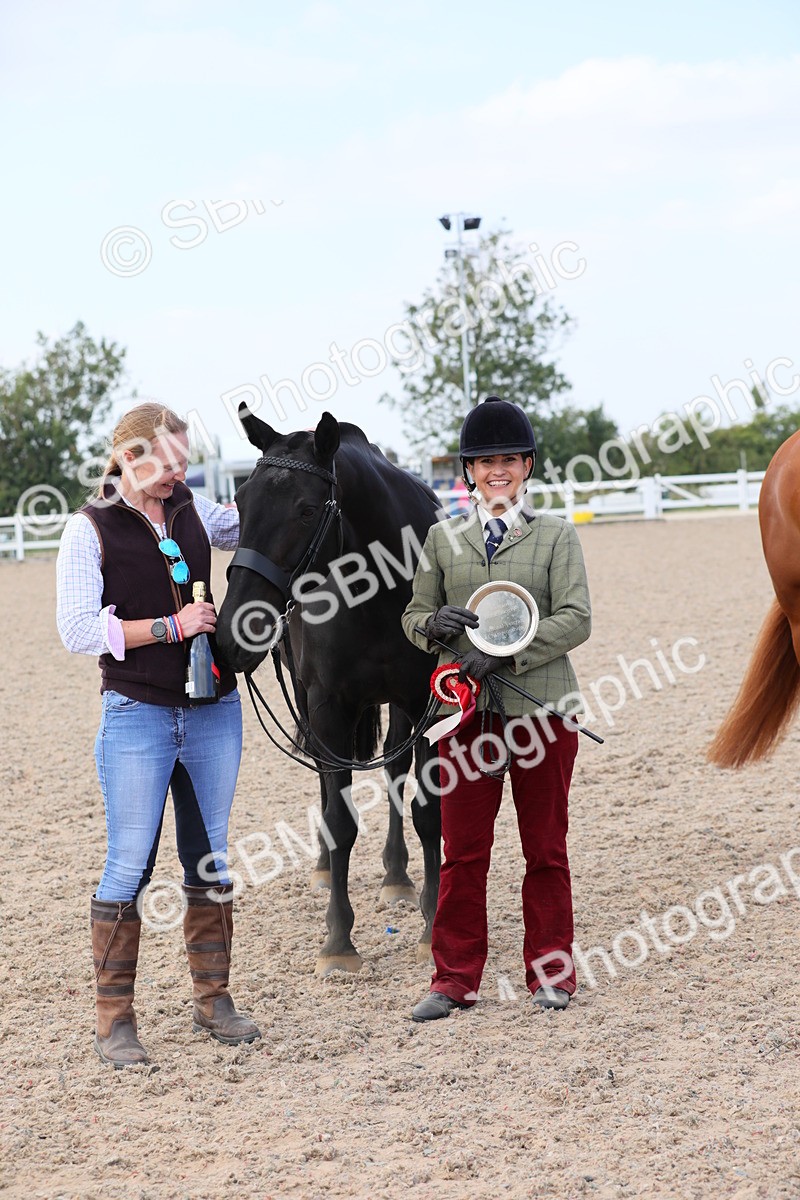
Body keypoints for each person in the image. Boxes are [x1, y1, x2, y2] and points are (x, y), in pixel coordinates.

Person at [56, 402, 260, 1067]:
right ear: (131, 455)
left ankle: (214, 999)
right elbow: (80, 630)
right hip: (137, 713)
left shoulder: (196, 510)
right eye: (168, 464)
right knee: (129, 864)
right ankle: (114, 1020)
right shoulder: (87, 530)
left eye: (184, 464)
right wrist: (172, 628)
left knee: (210, 858)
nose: (179, 475)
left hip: (212, 711)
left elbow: (260, 516)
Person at [401, 396, 592, 1020]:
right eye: (484, 462)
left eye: (508, 459)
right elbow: (411, 618)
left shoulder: (557, 535)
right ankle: (453, 978)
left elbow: (575, 619)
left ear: (527, 465)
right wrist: (436, 623)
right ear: (468, 472)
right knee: (462, 851)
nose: (497, 471)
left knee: (545, 847)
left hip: (541, 712)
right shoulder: (441, 539)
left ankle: (552, 972)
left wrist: (509, 655)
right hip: (465, 716)